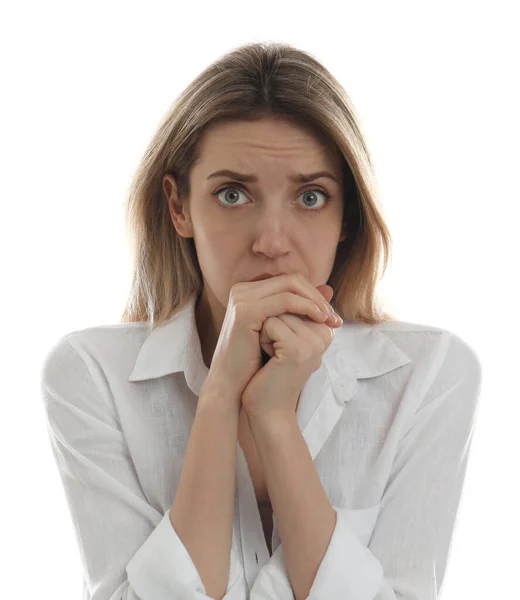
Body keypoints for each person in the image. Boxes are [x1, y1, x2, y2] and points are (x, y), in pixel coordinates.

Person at [40, 41, 482, 600]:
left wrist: (274, 418)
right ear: (179, 207)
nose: (272, 244)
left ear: (348, 216)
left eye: (312, 197)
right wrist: (220, 395)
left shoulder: (431, 374)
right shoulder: (91, 374)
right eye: (232, 194)